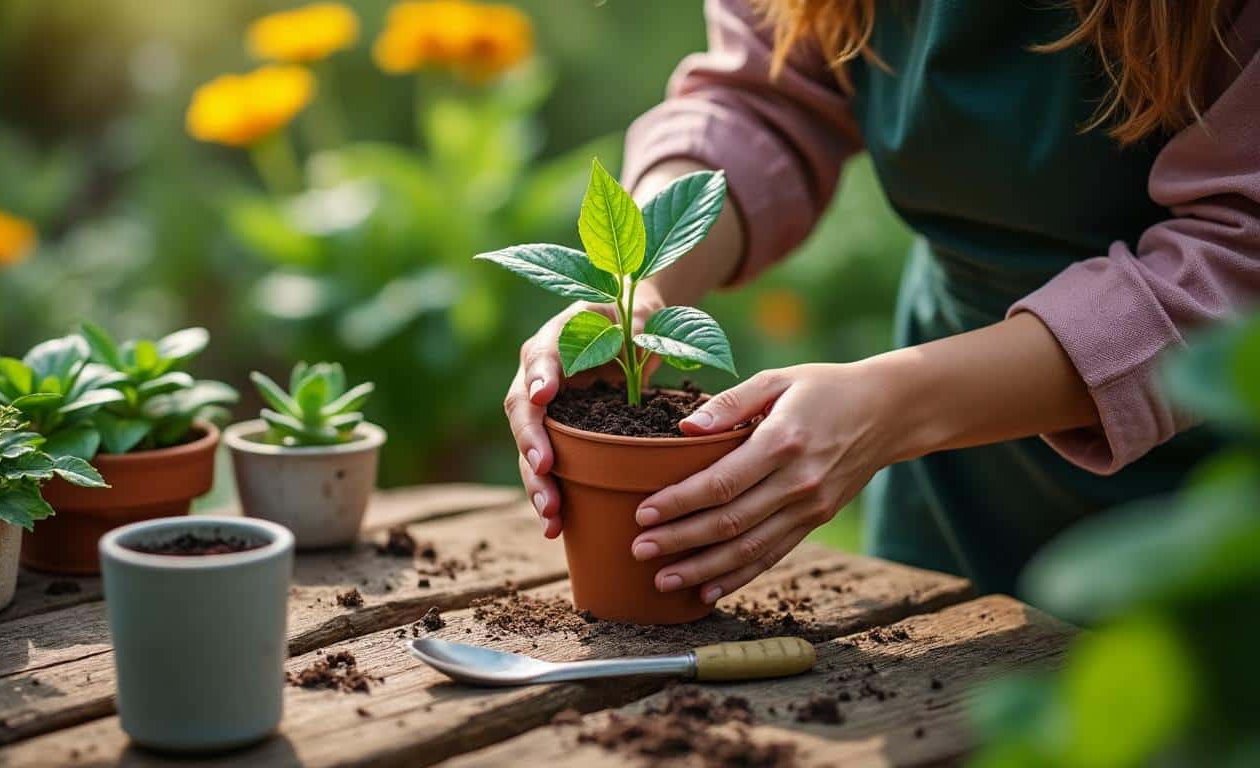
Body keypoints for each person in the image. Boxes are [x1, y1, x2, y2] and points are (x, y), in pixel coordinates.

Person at [505, 0, 1260, 606]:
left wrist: (890, 405)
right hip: (949, 469)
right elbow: (762, 95)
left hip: (1211, 489)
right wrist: (639, 294)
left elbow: (1240, 257)